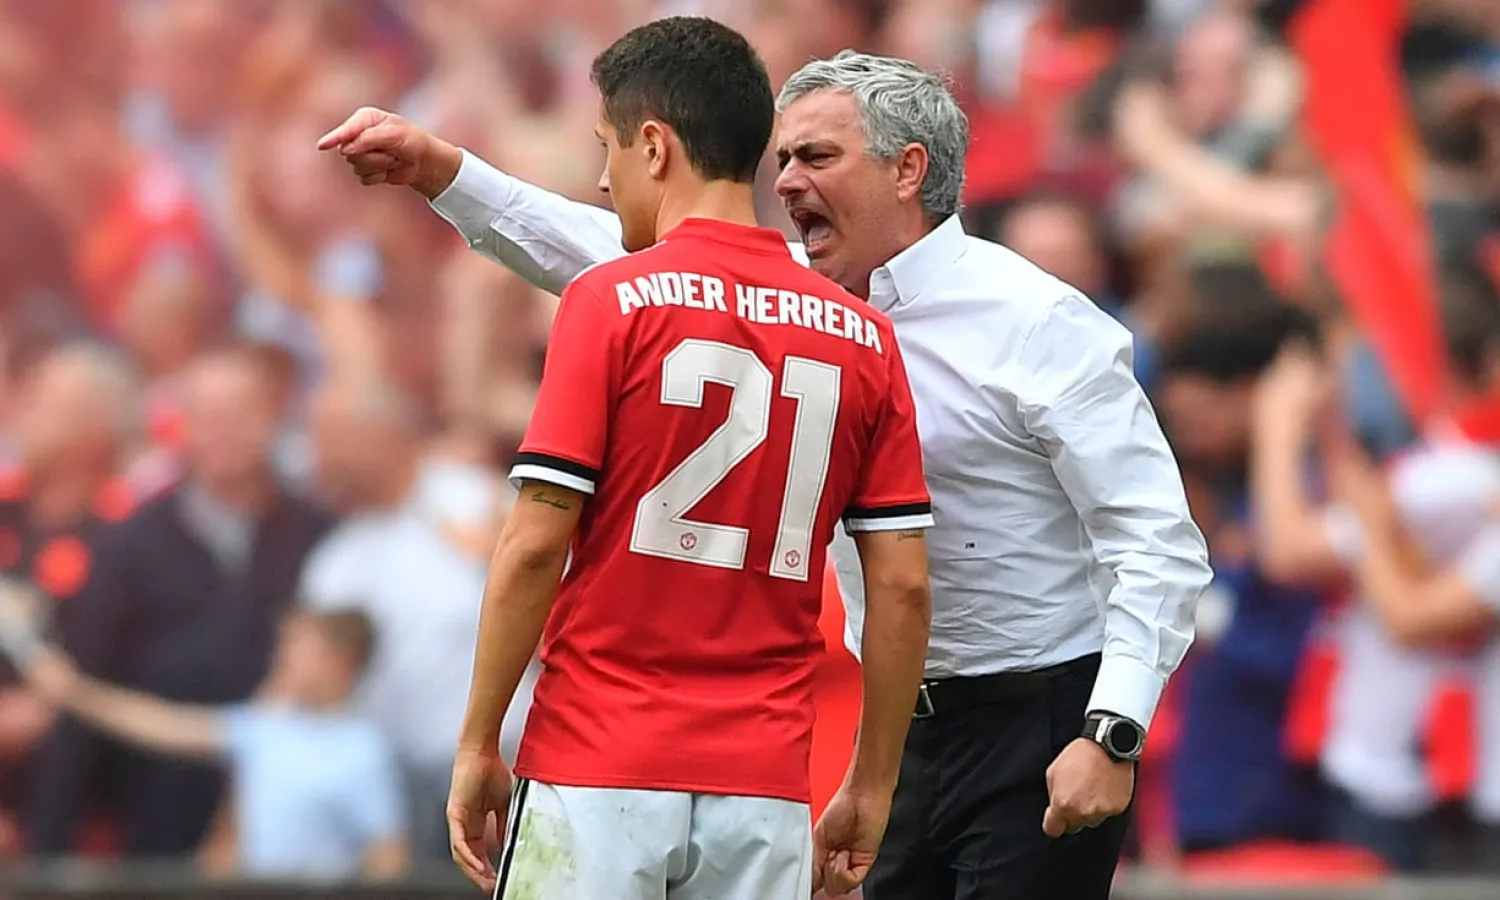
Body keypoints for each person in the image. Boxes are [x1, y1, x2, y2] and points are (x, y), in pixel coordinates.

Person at [321, 46, 1211, 899]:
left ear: (906, 170)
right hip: (894, 730)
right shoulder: (807, 299)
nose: (783, 183)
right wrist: (444, 171)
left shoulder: (1040, 323)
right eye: (781, 158)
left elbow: (1156, 540)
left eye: (816, 157)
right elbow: (624, 260)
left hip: (1040, 719)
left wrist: (1114, 730)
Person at [388, 19, 934, 900]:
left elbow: (533, 544)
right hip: (764, 790)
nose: (603, 179)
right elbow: (903, 587)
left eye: (606, 147)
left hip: (599, 766)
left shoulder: (609, 301)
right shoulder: (865, 336)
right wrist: (873, 781)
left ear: (654, 144)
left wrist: (479, 739)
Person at [26, 345, 331, 857]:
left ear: (273, 417)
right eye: (210, 417)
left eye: (241, 413)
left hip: (293, 833)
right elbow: (83, 690)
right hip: (157, 822)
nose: (226, 432)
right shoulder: (128, 547)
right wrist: (50, 853)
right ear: (182, 427)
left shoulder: (318, 536)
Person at [15, 603, 408, 879]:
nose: (284, 656)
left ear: (340, 661)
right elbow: (164, 725)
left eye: (300, 646)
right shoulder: (264, 727)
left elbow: (386, 859)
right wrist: (74, 691)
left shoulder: (363, 751)